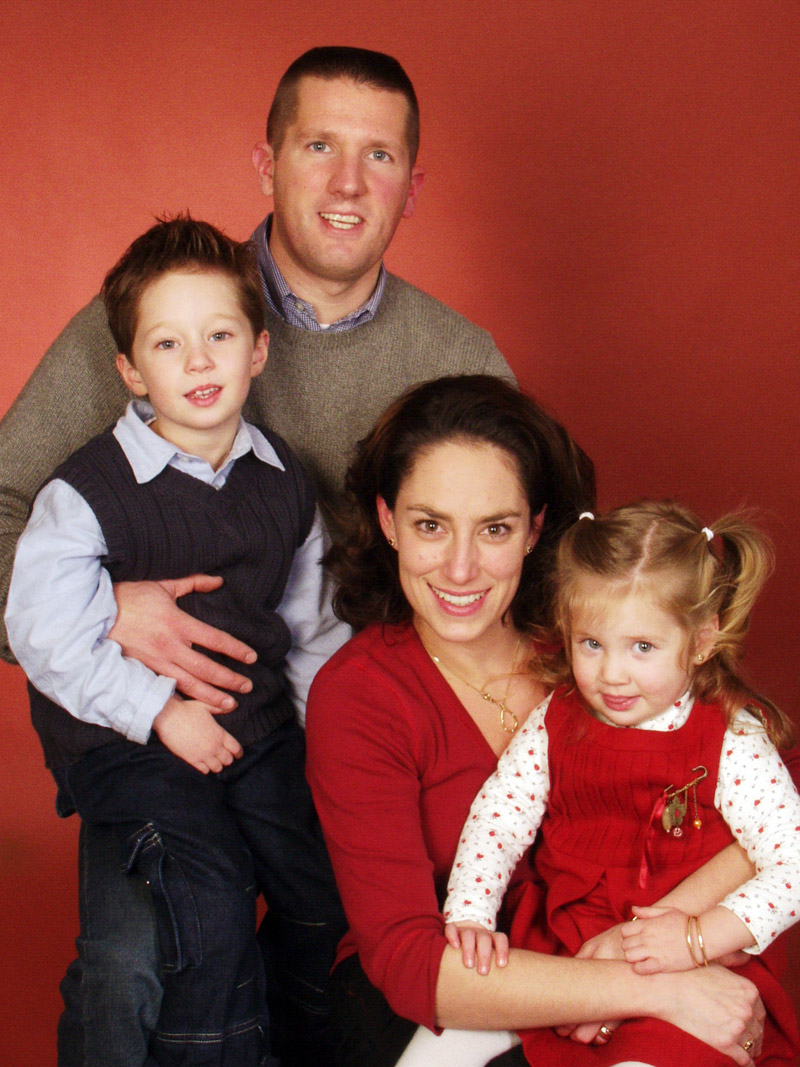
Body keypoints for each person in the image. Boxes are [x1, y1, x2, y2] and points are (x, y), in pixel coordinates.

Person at [0, 47, 512, 1066]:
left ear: (412, 186)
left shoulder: (459, 358)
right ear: (267, 162)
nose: (346, 183)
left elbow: (520, 557)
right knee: (145, 960)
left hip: (347, 728)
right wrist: (106, 608)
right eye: (318, 146)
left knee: (364, 958)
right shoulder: (165, 308)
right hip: (151, 724)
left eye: (378, 156)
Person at [304, 375, 767, 1067]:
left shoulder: (600, 647)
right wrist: (656, 989)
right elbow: (411, 962)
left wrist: (666, 941)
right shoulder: (360, 694)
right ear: (389, 521)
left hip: (638, 955)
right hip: (455, 993)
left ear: (535, 529)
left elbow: (776, 802)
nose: (461, 568)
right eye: (430, 525)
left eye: (495, 528)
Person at [6, 215, 351, 1066]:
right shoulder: (85, 492)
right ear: (130, 369)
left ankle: (292, 1038)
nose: (199, 362)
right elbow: (42, 632)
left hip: (255, 731)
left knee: (323, 897)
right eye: (168, 343)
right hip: (130, 741)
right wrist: (158, 710)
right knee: (208, 900)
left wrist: (328, 744)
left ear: (258, 351)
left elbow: (310, 627)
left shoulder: (285, 480)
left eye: (219, 336)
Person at [440, 501, 800, 1066]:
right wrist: (470, 910)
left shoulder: (731, 737)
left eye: (643, 647)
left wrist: (696, 938)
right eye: (591, 644)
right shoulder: (556, 719)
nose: (611, 674)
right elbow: (499, 819)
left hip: (690, 962)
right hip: (565, 943)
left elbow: (793, 862)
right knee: (446, 1045)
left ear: (702, 640)